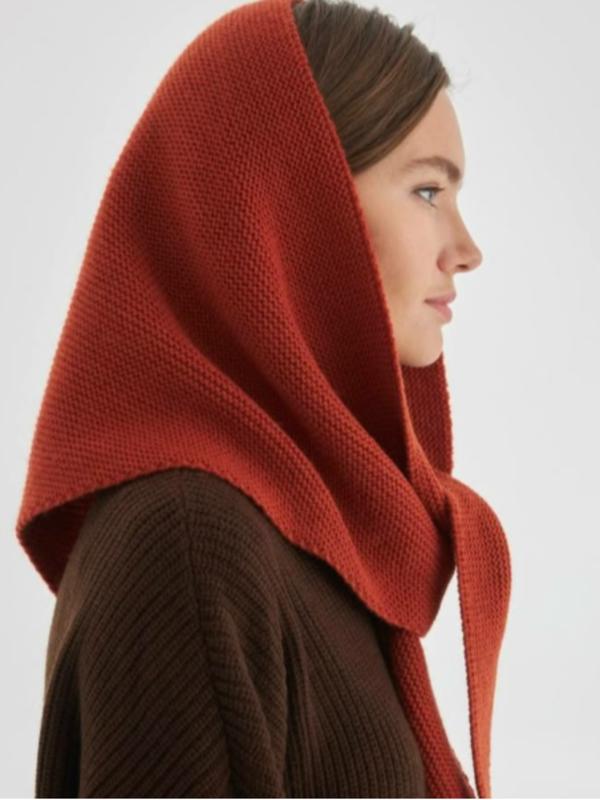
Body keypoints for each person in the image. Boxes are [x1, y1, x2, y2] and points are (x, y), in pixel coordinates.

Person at [16, 0, 511, 797]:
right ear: (294, 207)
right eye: (427, 191)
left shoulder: (315, 543)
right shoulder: (189, 543)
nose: (467, 249)